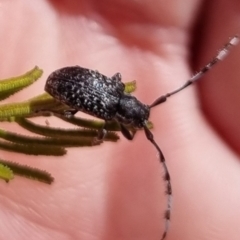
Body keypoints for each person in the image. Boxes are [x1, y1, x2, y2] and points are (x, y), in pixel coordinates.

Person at [0, 1, 240, 239]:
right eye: (136, 121)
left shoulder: (116, 89)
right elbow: (121, 130)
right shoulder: (106, 114)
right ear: (126, 113)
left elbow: (114, 81)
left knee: (73, 109)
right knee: (68, 112)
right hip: (60, 84)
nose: (137, 123)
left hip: (67, 78)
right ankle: (45, 111)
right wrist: (99, 136)